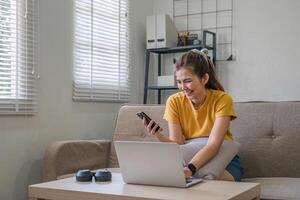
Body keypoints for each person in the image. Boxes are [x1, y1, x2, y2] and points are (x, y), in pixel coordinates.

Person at [141, 48, 243, 182]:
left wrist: (190, 169)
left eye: (187, 81)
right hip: (189, 156)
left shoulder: (222, 100)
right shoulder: (174, 101)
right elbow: (177, 144)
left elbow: (213, 145)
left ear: (204, 78)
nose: (183, 87)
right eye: (179, 82)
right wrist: (158, 135)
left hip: (222, 157)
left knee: (203, 182)